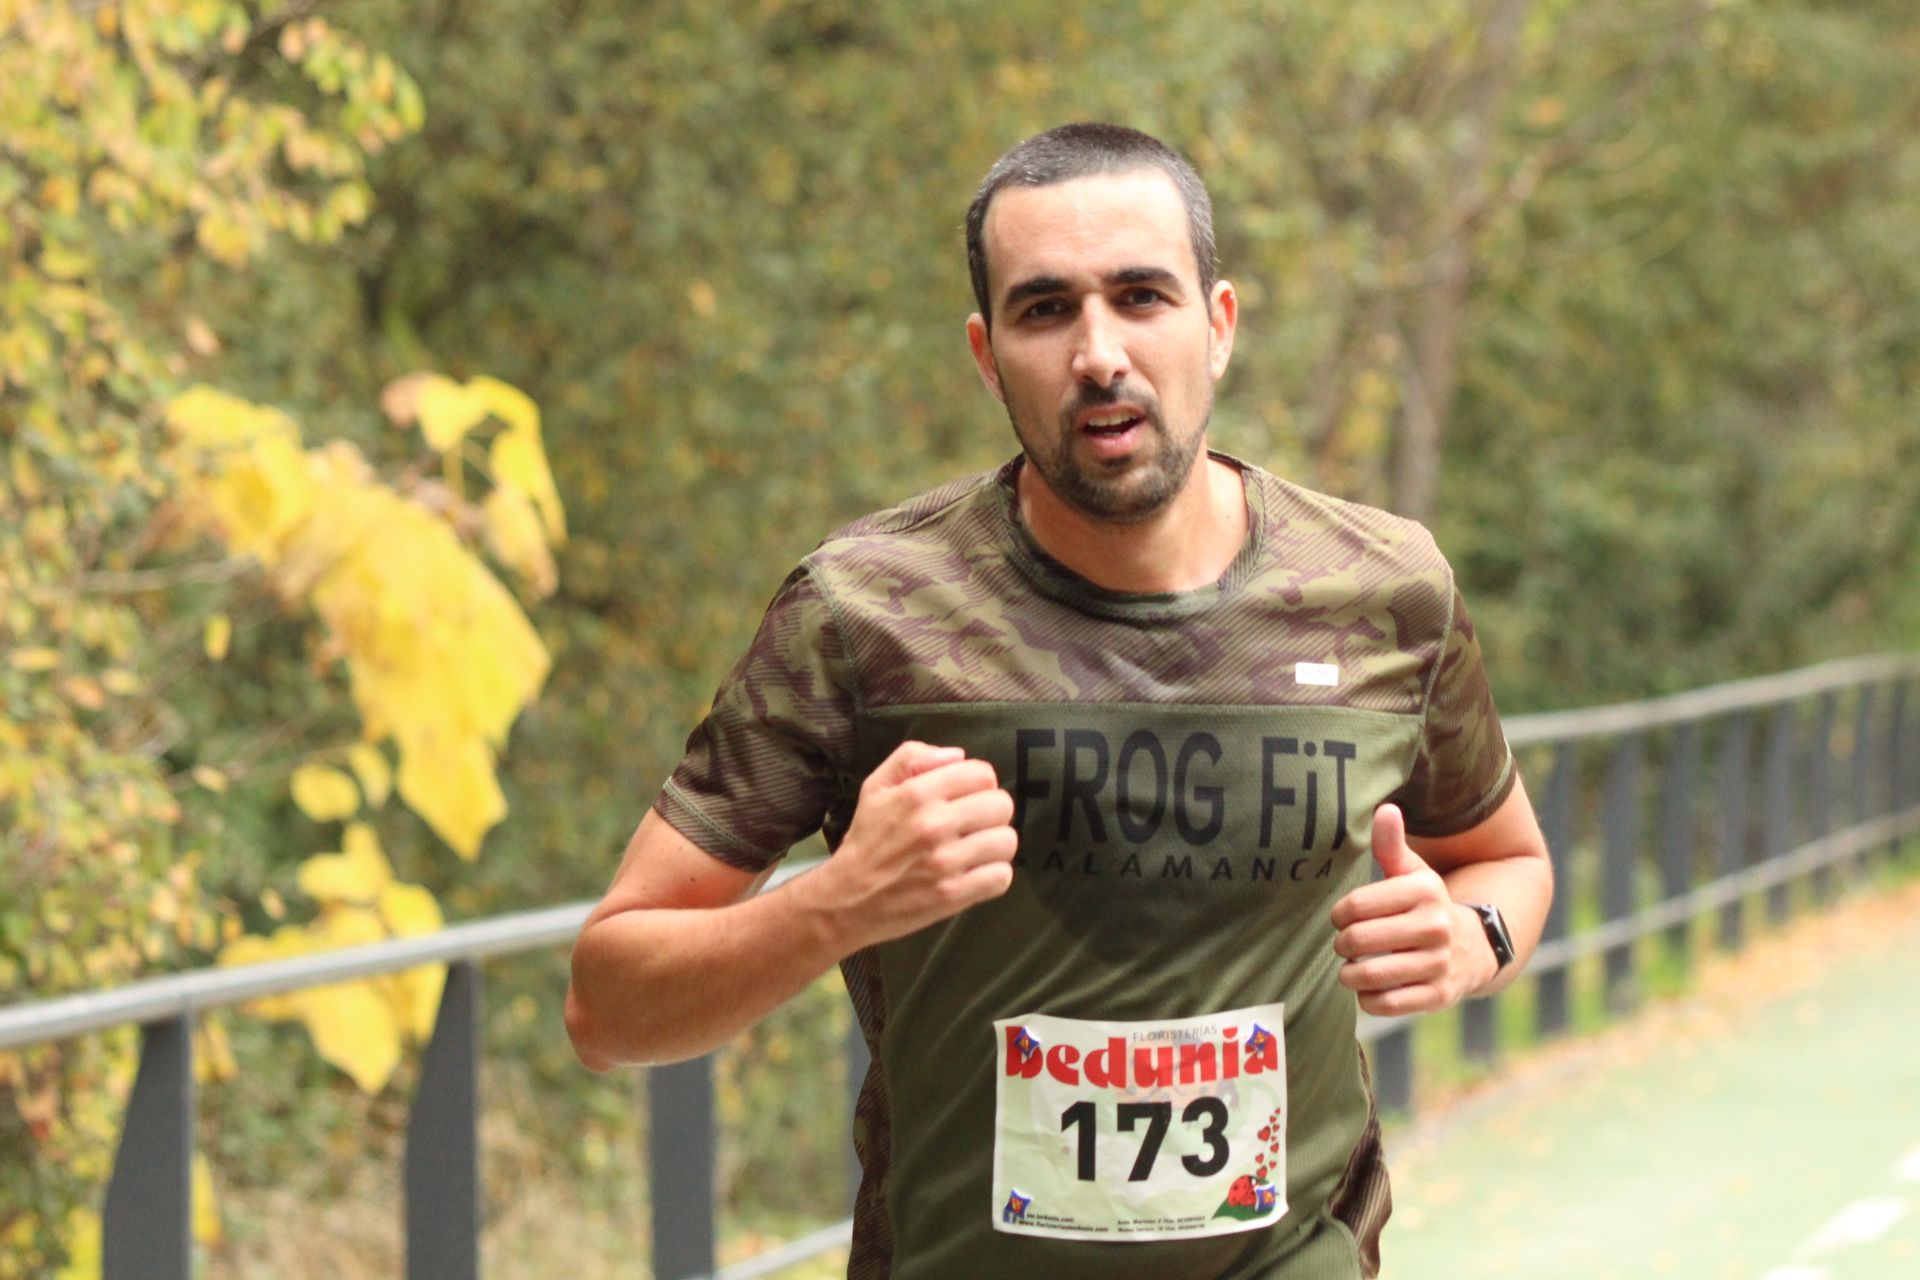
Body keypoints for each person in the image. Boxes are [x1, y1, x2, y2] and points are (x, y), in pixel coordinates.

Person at [565, 122, 1553, 1279]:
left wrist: (1470, 938)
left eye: (1142, 296)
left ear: (1218, 324)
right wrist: (836, 901)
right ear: (987, 357)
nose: (1100, 353)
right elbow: (607, 1005)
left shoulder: (1385, 591)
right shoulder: (865, 611)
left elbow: (1508, 858)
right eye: (1046, 310)